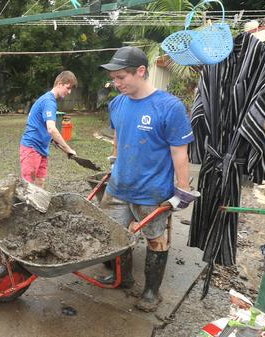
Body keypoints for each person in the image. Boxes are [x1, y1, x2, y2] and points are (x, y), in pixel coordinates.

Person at [97, 46, 199, 312]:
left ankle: (152, 292)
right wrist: (114, 159)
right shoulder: (117, 103)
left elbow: (179, 151)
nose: (116, 83)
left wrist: (183, 189)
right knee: (116, 235)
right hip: (119, 186)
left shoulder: (169, 107)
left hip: (153, 191)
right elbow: (119, 134)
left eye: (121, 77)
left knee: (156, 240)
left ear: (141, 71)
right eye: (114, 78)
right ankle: (124, 278)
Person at [19, 70, 78, 188]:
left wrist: (51, 139)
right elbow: (51, 129)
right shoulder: (48, 101)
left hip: (42, 149)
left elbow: (36, 122)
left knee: (39, 183)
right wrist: (68, 149)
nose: (69, 92)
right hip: (32, 148)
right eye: (68, 87)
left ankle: (36, 206)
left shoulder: (47, 100)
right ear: (60, 83)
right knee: (28, 187)